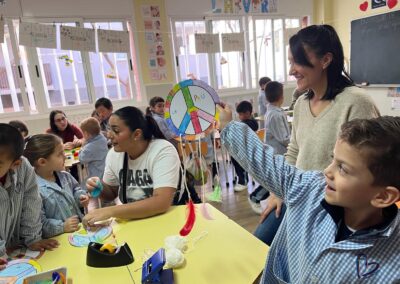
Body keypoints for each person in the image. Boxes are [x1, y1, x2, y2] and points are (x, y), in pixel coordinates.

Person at [219, 106, 400, 283]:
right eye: (333, 160)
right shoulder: (310, 189)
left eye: (343, 168)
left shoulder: (393, 262)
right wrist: (227, 124)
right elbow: (264, 161)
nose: (327, 171)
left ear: (383, 197)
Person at [255, 24, 380, 245]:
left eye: (298, 61)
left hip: (332, 207)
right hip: (295, 196)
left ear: (325, 60)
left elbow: (369, 167)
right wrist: (277, 192)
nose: (291, 70)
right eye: (290, 62)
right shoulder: (302, 103)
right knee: (257, 246)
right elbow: (293, 151)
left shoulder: (356, 102)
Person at [82, 106, 180, 228]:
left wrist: (110, 211)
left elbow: (161, 202)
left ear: (137, 134)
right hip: (135, 224)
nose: (109, 135)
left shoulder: (162, 150)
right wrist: (99, 187)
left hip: (169, 222)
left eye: (116, 131)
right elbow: (111, 193)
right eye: (109, 129)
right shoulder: (114, 154)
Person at [0, 124, 59, 269]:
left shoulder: (24, 168)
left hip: (13, 246)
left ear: (15, 164)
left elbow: (31, 202)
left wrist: (32, 238)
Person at [24, 134, 89, 238]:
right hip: (60, 239)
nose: (65, 156)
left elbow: (76, 189)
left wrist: (80, 197)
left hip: (78, 232)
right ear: (42, 162)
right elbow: (40, 223)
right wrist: (62, 226)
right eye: (60, 154)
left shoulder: (65, 176)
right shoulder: (34, 190)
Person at [249, 82, 291, 215]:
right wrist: (295, 144)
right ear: (282, 97)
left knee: (275, 181)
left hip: (277, 153)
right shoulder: (275, 114)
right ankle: (255, 197)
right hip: (277, 153)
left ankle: (271, 200)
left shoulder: (274, 111)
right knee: (273, 181)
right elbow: (284, 138)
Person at [79, 117, 112, 210]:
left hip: (97, 175)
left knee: (82, 187)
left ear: (86, 134)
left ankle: (85, 206)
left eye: (83, 133)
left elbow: (81, 159)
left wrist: (83, 145)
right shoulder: (101, 138)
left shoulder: (90, 147)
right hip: (104, 170)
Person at [232, 101, 258, 192]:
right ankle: (242, 178)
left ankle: (243, 181)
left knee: (238, 159)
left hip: (249, 150)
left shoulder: (251, 123)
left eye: (240, 114)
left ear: (247, 113)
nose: (239, 117)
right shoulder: (246, 122)